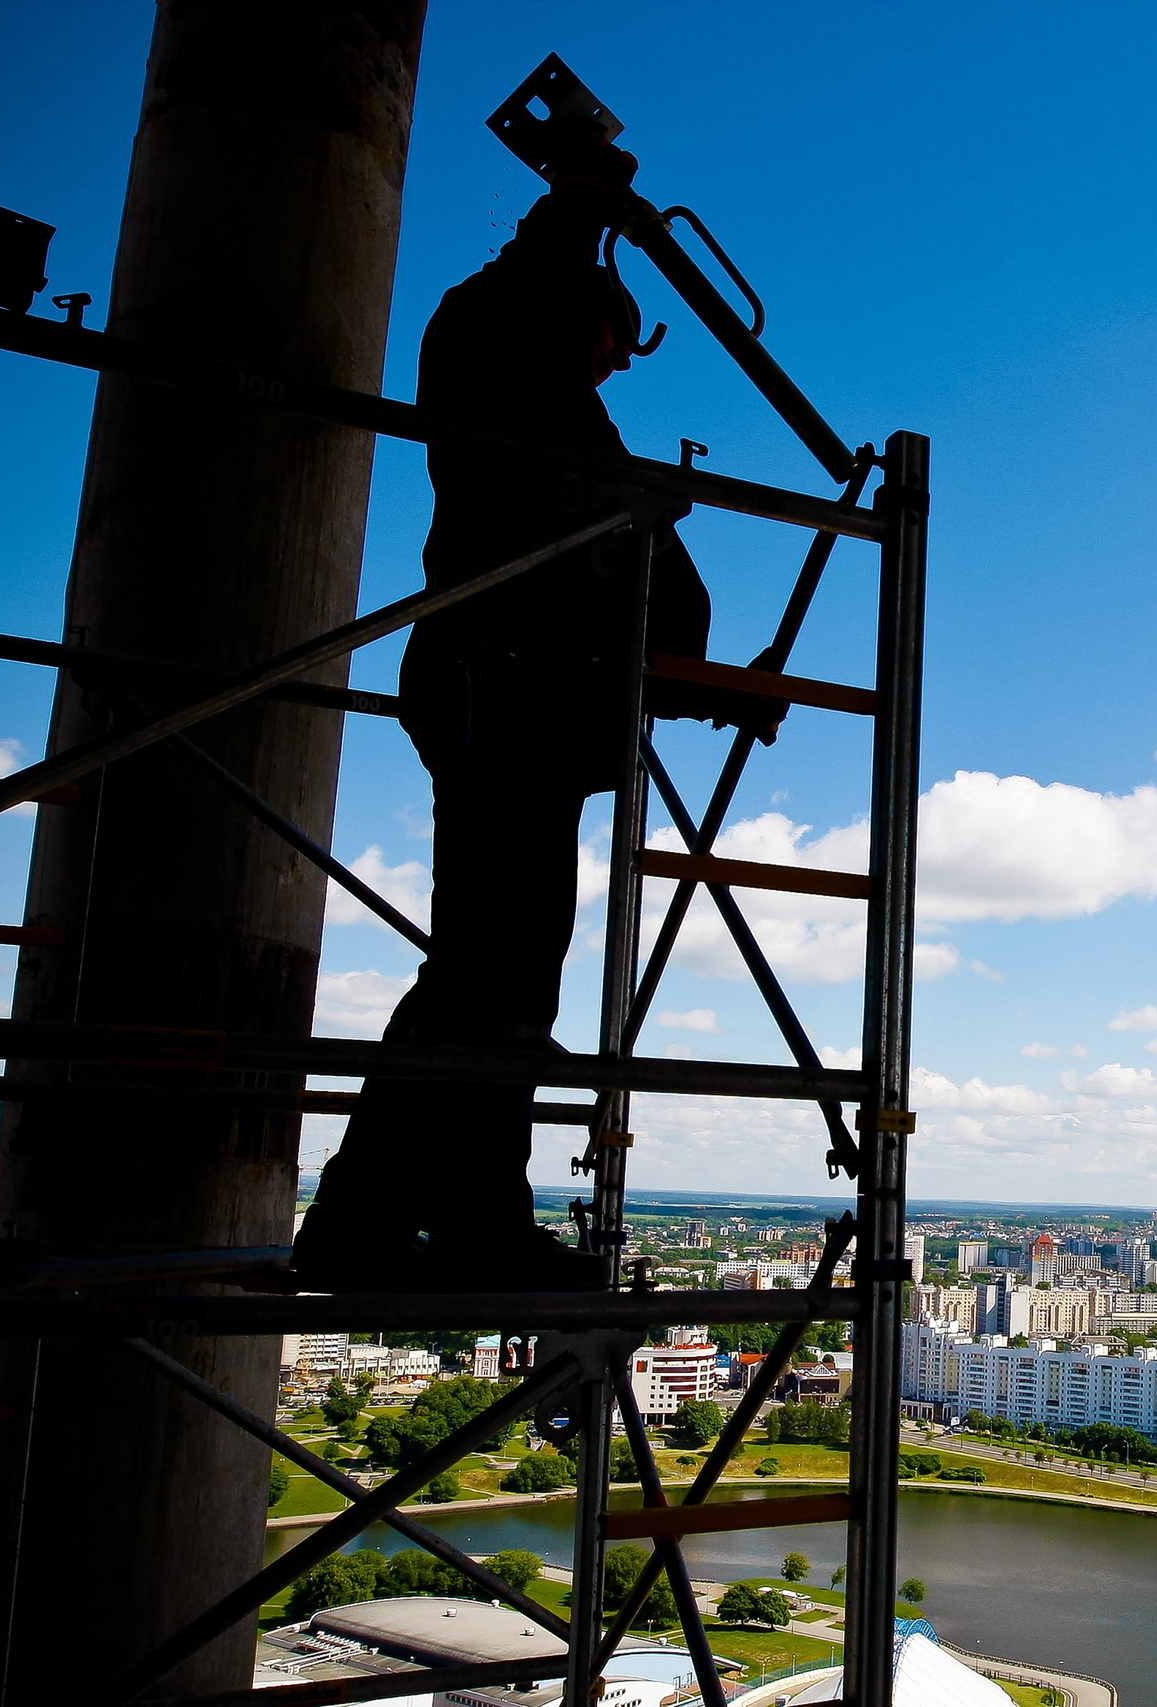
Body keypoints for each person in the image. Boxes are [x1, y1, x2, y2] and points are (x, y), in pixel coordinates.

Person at [293, 127, 780, 1291]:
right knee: (489, 973)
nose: (616, 370)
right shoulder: (499, 349)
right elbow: (513, 305)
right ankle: (402, 1221)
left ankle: (451, 1215)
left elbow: (601, 585)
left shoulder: (549, 403)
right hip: (502, 691)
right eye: (615, 345)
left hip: (532, 701)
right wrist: (578, 210)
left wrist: (706, 692)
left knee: (501, 974)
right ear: (584, 312)